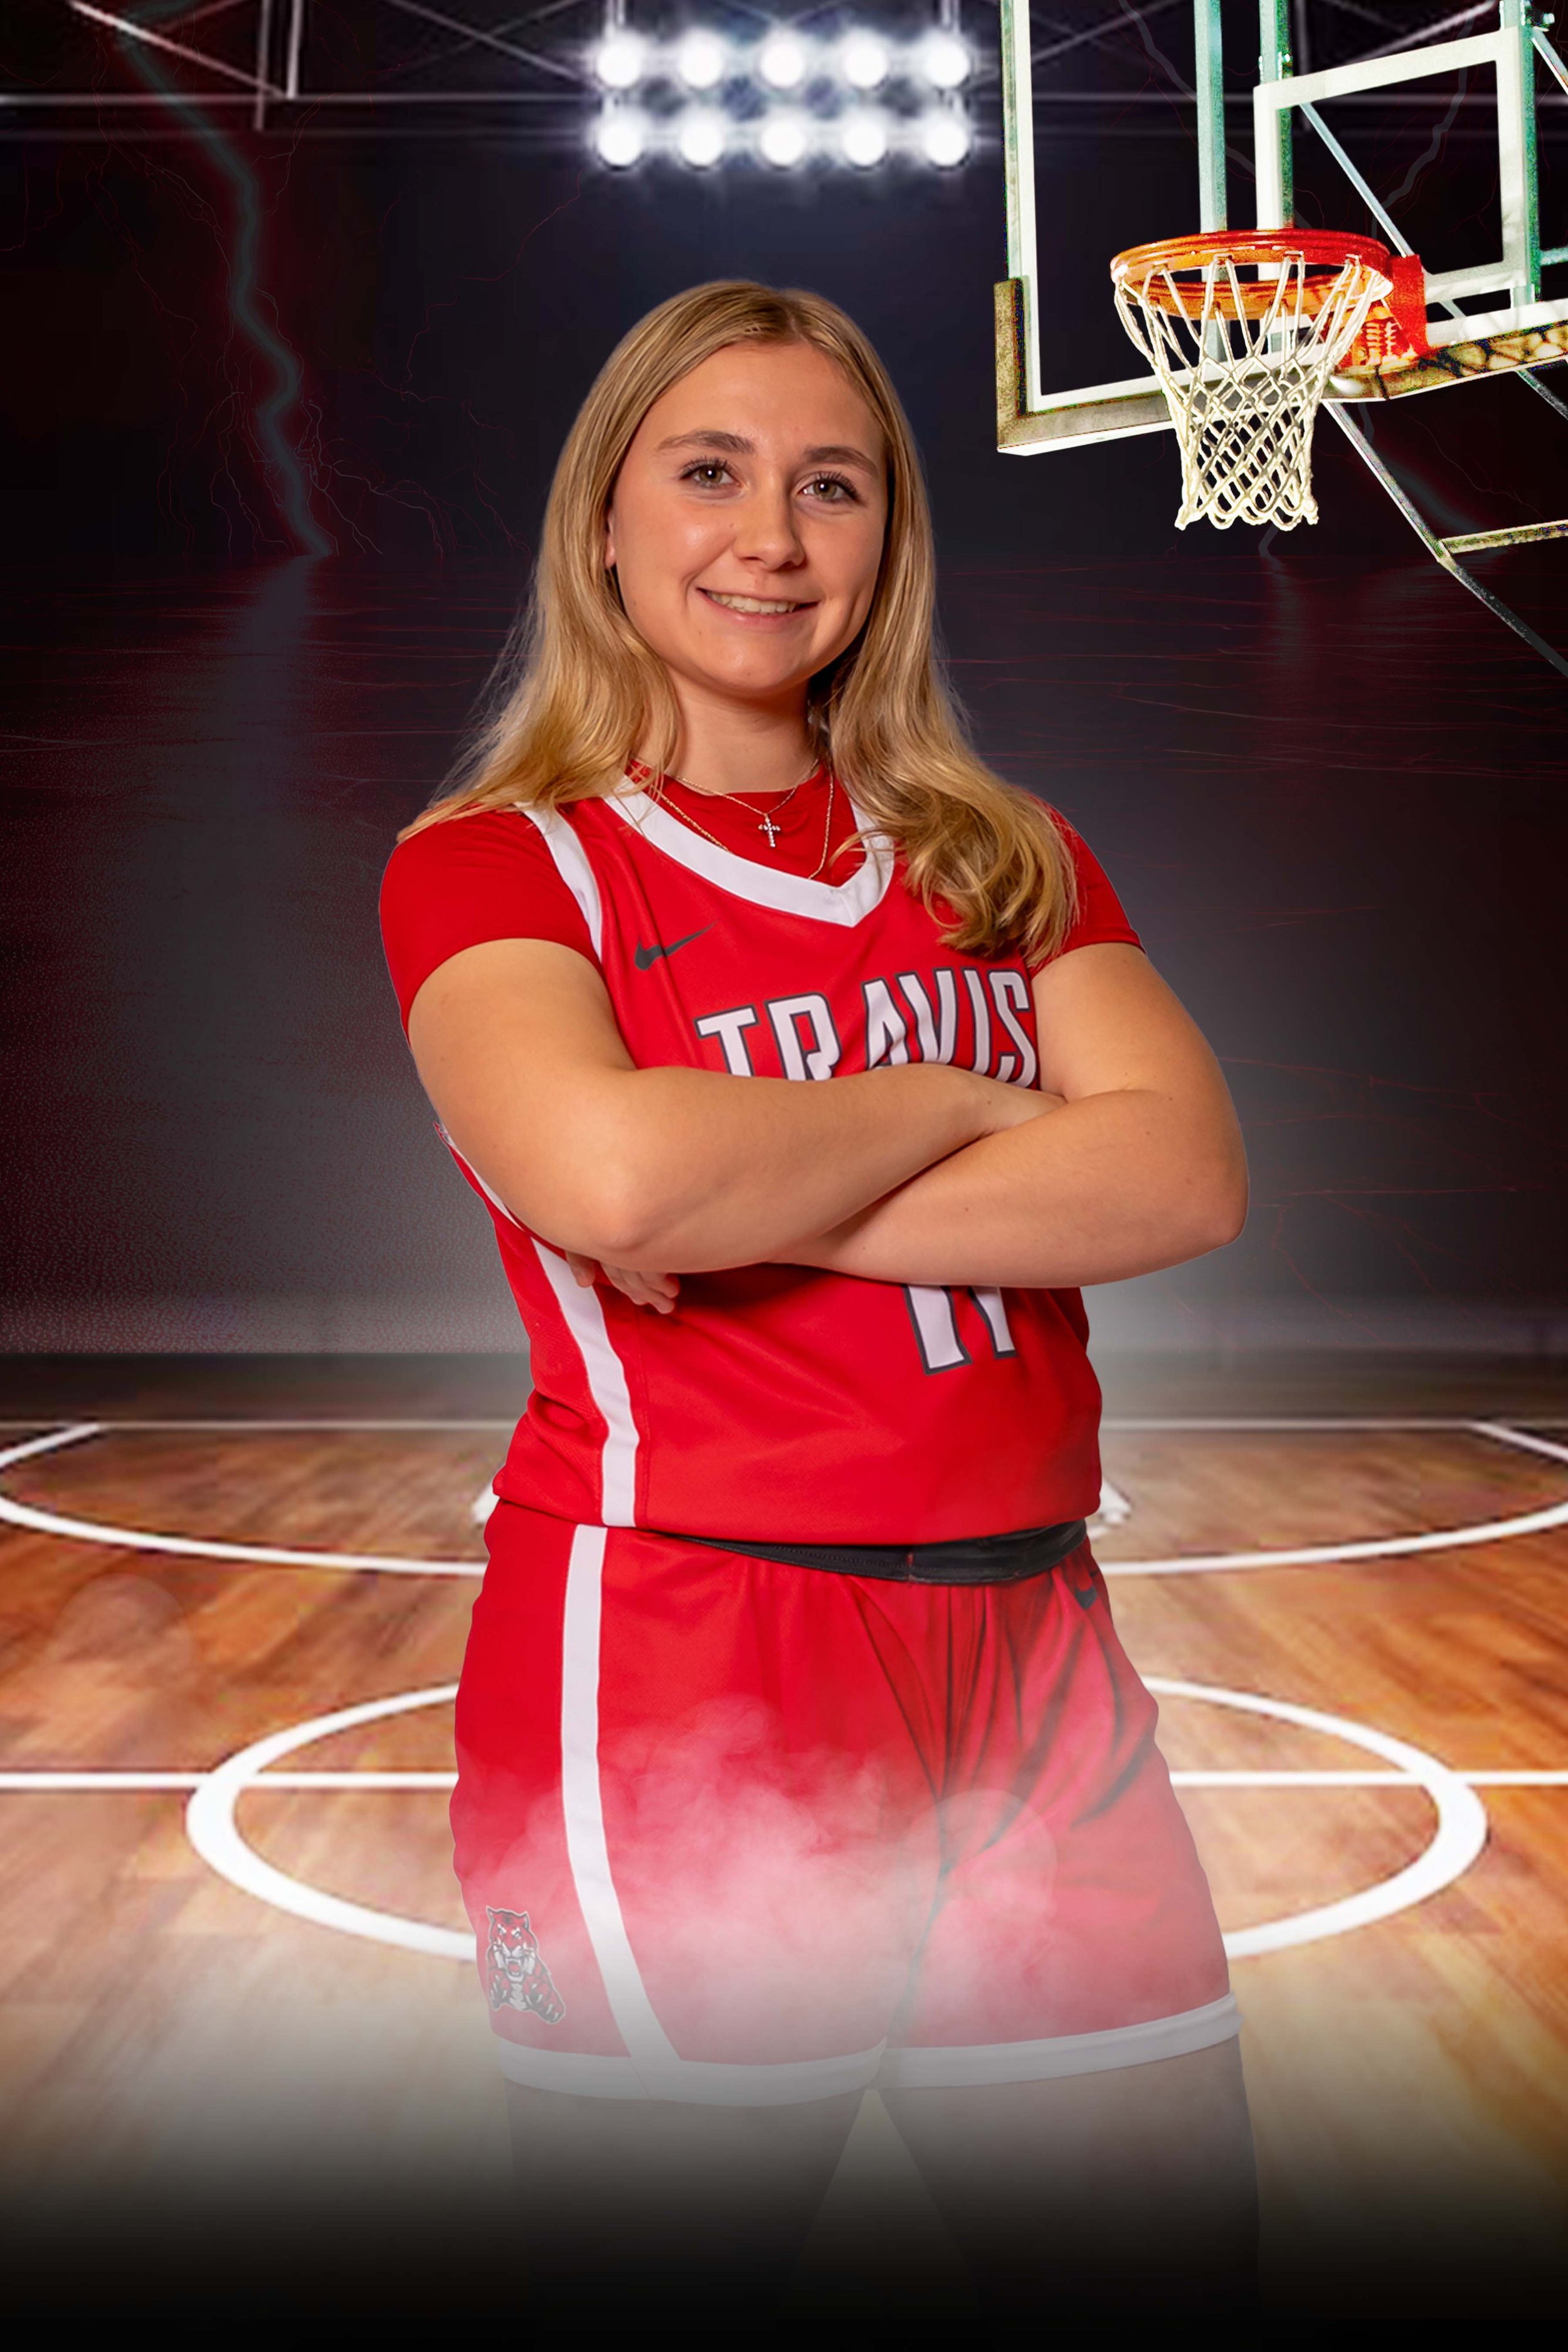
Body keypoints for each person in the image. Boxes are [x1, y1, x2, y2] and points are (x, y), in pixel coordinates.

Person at [379, 280, 1256, 2324]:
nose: (771, 535)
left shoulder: (1003, 850)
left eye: (829, 485)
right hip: (686, 1652)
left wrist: (747, 1173)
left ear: (887, 540)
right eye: (709, 472)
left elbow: (1182, 1172)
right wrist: (973, 1103)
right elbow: (600, 1178)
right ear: (605, 517)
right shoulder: (506, 864)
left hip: (1038, 1655)